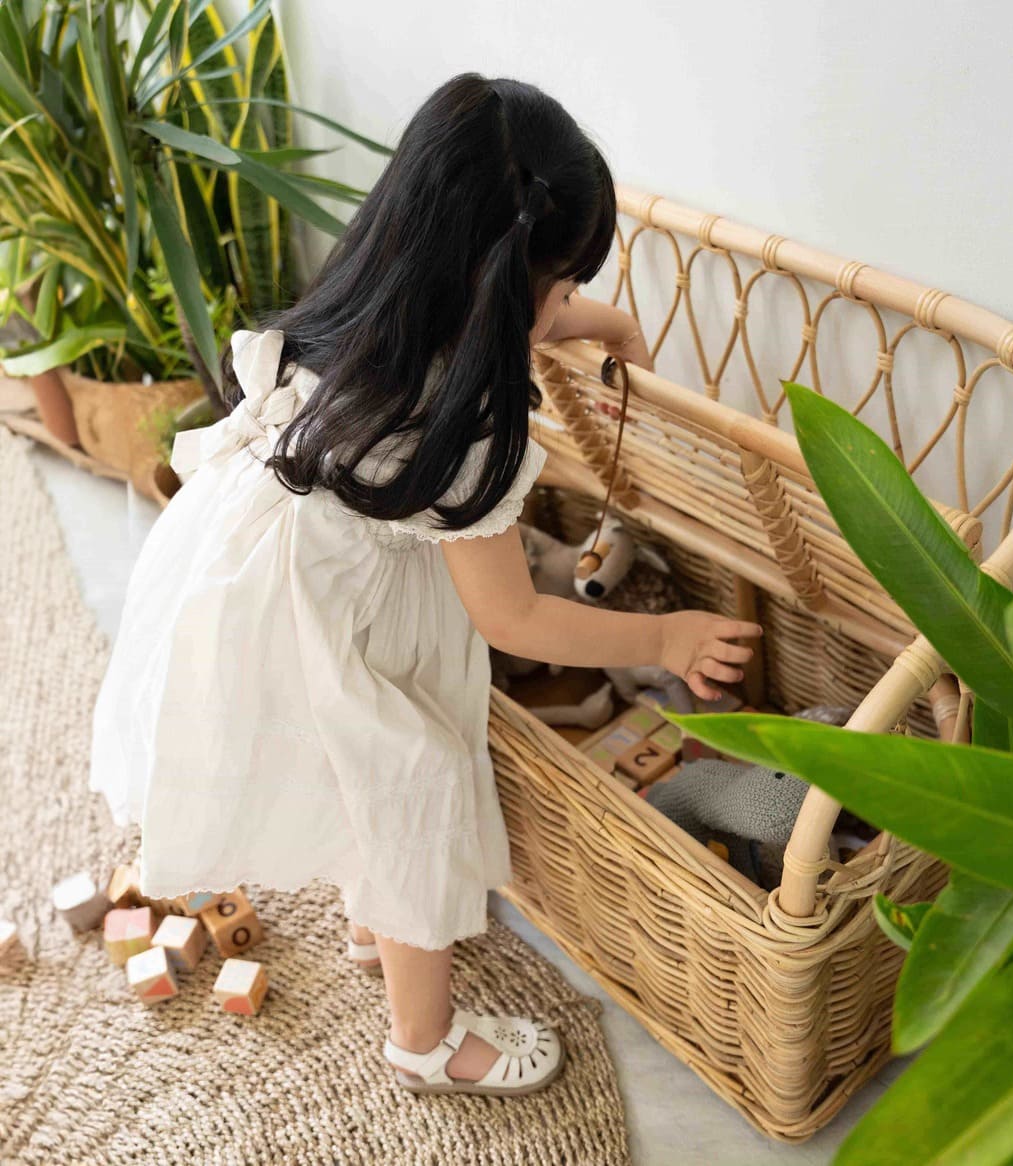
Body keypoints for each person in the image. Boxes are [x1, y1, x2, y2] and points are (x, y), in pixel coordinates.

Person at [89, 73, 761, 1098]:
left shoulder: (372, 300)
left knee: (359, 782)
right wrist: (665, 639)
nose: (563, 308)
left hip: (261, 561)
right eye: (559, 287)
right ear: (505, 289)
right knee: (414, 793)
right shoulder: (468, 420)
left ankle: (378, 923)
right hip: (325, 614)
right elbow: (513, 614)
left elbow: (517, 306)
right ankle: (424, 1037)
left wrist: (596, 324)